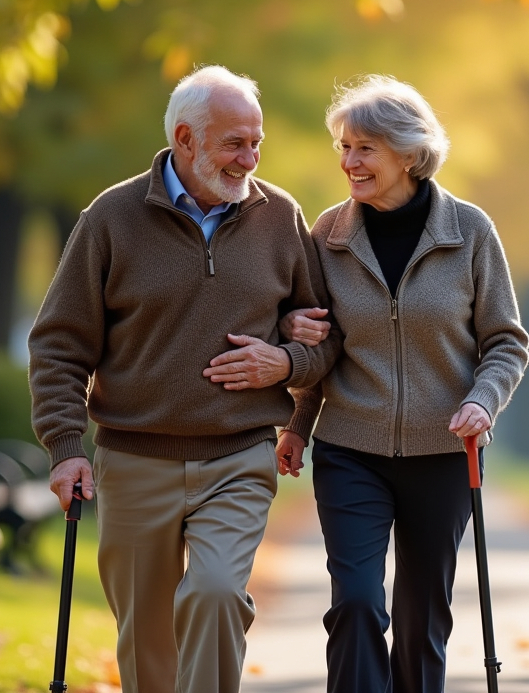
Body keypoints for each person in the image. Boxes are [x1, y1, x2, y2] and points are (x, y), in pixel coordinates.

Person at [28, 65, 338, 693]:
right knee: (144, 636)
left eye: (257, 142)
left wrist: (286, 364)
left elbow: (324, 336)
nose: (249, 158)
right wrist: (64, 448)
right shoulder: (110, 219)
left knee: (217, 594)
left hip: (238, 453)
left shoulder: (281, 217)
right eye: (234, 143)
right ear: (185, 139)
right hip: (134, 457)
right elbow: (60, 344)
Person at [274, 75, 529, 693]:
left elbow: (505, 342)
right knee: (357, 604)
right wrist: (297, 425)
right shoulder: (328, 237)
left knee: (422, 620)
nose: (349, 161)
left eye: (365, 148)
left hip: (445, 452)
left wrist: (481, 400)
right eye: (344, 146)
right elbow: (324, 344)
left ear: (409, 153)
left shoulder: (469, 232)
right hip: (351, 449)